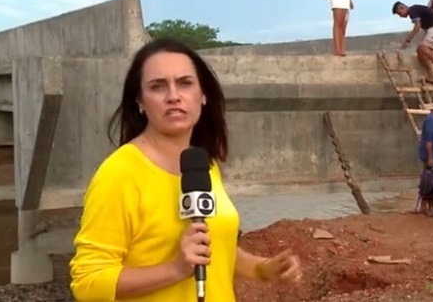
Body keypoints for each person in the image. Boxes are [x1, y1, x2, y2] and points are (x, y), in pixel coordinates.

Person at [69, 38, 302, 302]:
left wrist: (262, 269)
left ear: (203, 96)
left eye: (185, 83)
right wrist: (174, 270)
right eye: (158, 86)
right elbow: (87, 282)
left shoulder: (202, 165)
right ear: (140, 101)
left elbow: (212, 245)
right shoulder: (119, 173)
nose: (173, 96)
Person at [392, 1, 433, 84]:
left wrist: (408, 41)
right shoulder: (415, 11)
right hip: (432, 29)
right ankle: (431, 76)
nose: (400, 16)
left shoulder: (413, 10)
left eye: (399, 13)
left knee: (422, 47)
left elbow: (417, 26)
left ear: (402, 8)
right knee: (420, 52)